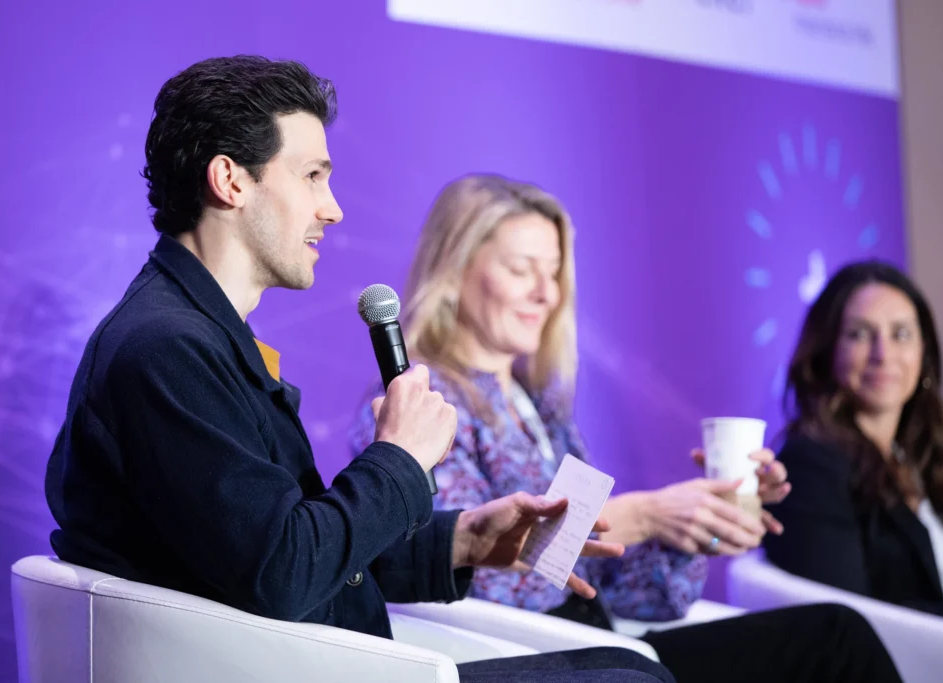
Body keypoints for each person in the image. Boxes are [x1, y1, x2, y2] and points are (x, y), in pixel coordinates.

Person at [43, 56, 677, 683]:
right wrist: (399, 456)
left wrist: (465, 541)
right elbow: (284, 573)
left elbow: (299, 552)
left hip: (324, 658)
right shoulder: (165, 348)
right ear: (230, 181)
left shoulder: (202, 337)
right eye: (313, 176)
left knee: (626, 668)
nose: (333, 208)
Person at [349, 174, 904, 683]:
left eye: (554, 273)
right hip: (542, 661)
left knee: (835, 635)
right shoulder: (417, 405)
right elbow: (469, 576)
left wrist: (692, 526)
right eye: (522, 270)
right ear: (455, 269)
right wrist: (639, 518)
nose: (548, 294)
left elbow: (627, 592)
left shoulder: (542, 408)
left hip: (608, 644)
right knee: (833, 638)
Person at [764, 261, 943, 623]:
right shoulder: (809, 465)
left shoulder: (922, 452)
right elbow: (849, 625)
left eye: (901, 334)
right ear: (828, 351)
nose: (882, 355)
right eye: (859, 334)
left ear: (924, 352)